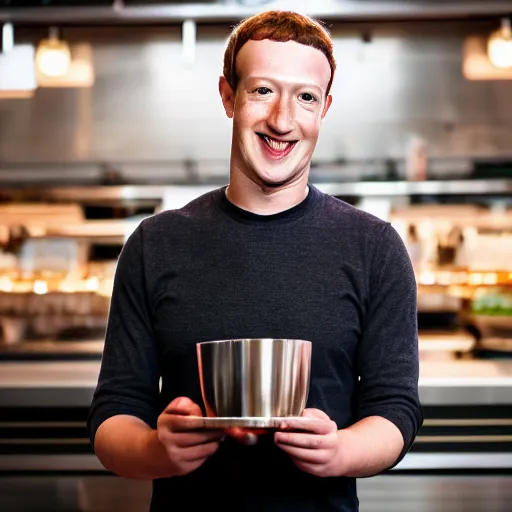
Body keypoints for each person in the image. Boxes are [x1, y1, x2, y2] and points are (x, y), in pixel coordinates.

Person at [87, 9, 423, 511]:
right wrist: (158, 450)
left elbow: (395, 410)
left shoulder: (374, 247)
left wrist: (339, 451)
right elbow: (114, 415)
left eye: (305, 98)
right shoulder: (155, 243)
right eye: (262, 90)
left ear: (324, 108)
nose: (283, 120)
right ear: (228, 96)